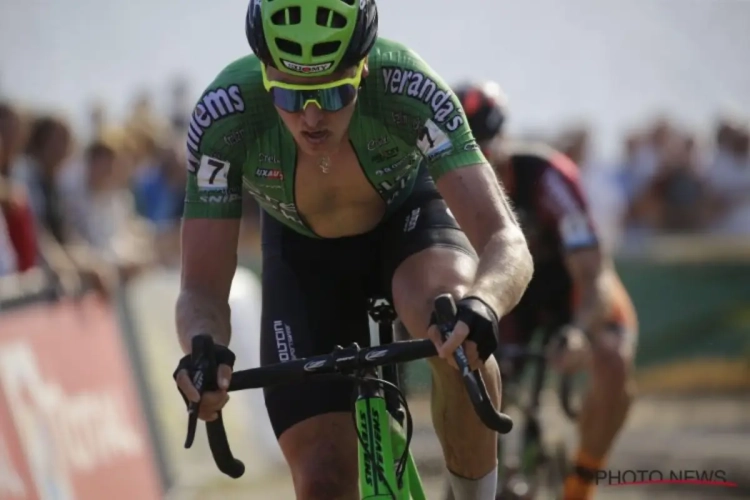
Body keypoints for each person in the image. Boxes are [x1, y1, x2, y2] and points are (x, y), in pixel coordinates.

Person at [172, 1, 534, 499]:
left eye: (333, 93)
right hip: (301, 254)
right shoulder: (225, 114)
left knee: (452, 326)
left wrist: (484, 303)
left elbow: (504, 239)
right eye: (290, 95)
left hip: (407, 225)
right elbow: (201, 289)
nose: (311, 117)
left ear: (363, 69)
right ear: (264, 73)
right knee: (322, 480)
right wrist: (202, 348)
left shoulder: (408, 86)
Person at [454, 81, 638, 500]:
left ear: (503, 142)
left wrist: (578, 331)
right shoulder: (443, 185)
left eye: (484, 153)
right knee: (472, 371)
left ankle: (580, 485)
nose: (476, 170)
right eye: (464, 158)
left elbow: (593, 274)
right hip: (507, 294)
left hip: (570, 290)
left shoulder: (548, 176)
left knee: (612, 359)